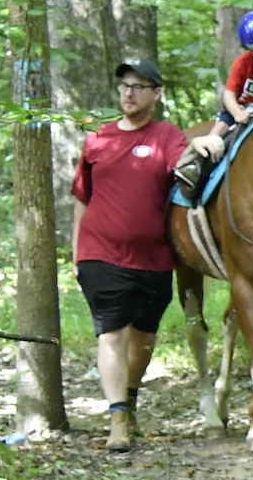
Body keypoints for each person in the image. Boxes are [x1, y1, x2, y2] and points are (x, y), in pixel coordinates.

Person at [73, 60, 188, 454]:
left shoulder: (168, 136)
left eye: (139, 86)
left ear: (156, 94)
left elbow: (184, 171)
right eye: (124, 85)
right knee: (113, 334)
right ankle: (117, 418)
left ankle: (131, 396)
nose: (128, 93)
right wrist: (77, 251)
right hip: (100, 253)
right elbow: (80, 199)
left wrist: (206, 144)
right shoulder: (97, 139)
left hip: (155, 259)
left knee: (144, 338)